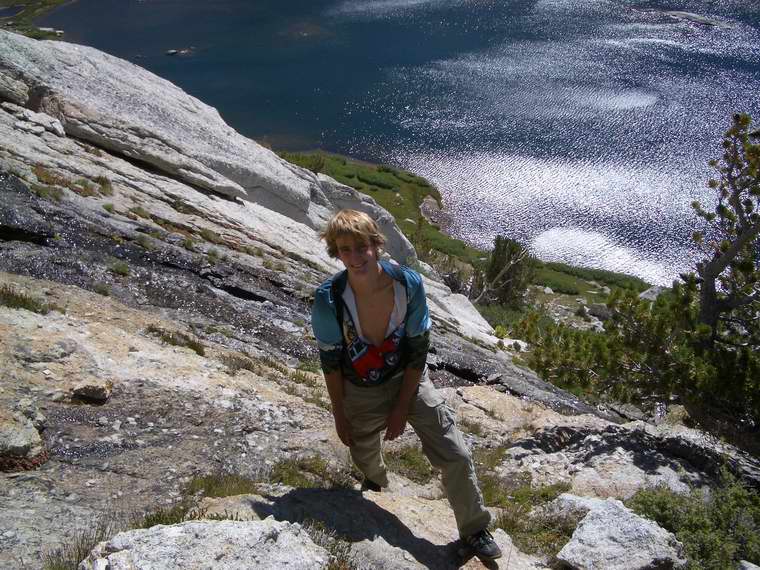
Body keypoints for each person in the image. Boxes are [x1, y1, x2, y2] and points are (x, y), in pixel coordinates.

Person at [311, 209, 502, 561]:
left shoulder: (408, 285)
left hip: (408, 378)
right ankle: (375, 480)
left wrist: (401, 408)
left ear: (375, 245)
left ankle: (474, 528)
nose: (354, 257)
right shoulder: (328, 300)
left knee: (454, 450)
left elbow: (418, 350)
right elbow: (331, 363)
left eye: (360, 247)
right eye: (345, 250)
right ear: (336, 253)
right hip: (359, 387)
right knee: (361, 446)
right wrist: (340, 415)